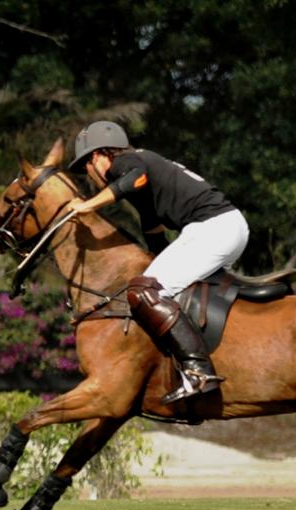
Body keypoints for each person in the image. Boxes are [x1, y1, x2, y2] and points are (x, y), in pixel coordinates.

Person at [65, 121, 249, 403]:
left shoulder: (126, 161)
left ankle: (198, 371)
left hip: (213, 229)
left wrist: (87, 205)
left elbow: (134, 179)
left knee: (144, 291)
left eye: (86, 165)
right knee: (157, 286)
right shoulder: (142, 186)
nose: (89, 174)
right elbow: (154, 234)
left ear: (98, 155)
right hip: (221, 228)